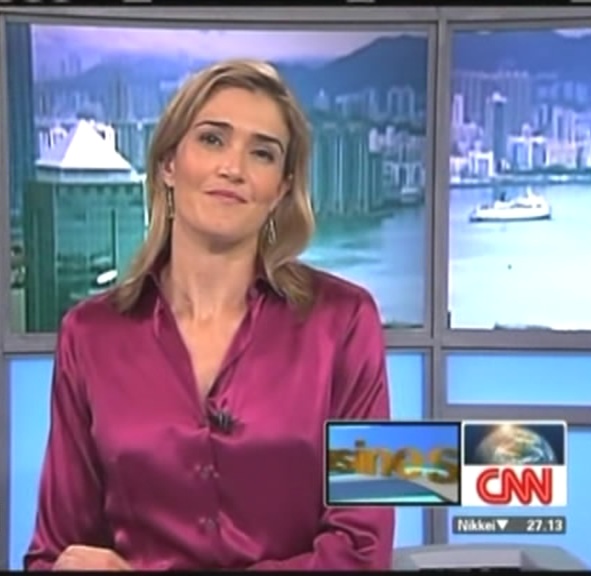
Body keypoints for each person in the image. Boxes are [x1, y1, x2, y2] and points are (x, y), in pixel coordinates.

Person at [24, 59, 394, 571]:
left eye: (262, 153)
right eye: (212, 140)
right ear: (168, 164)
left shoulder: (349, 320)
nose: (233, 168)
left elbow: (365, 548)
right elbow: (54, 552)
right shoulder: (87, 334)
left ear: (281, 188)